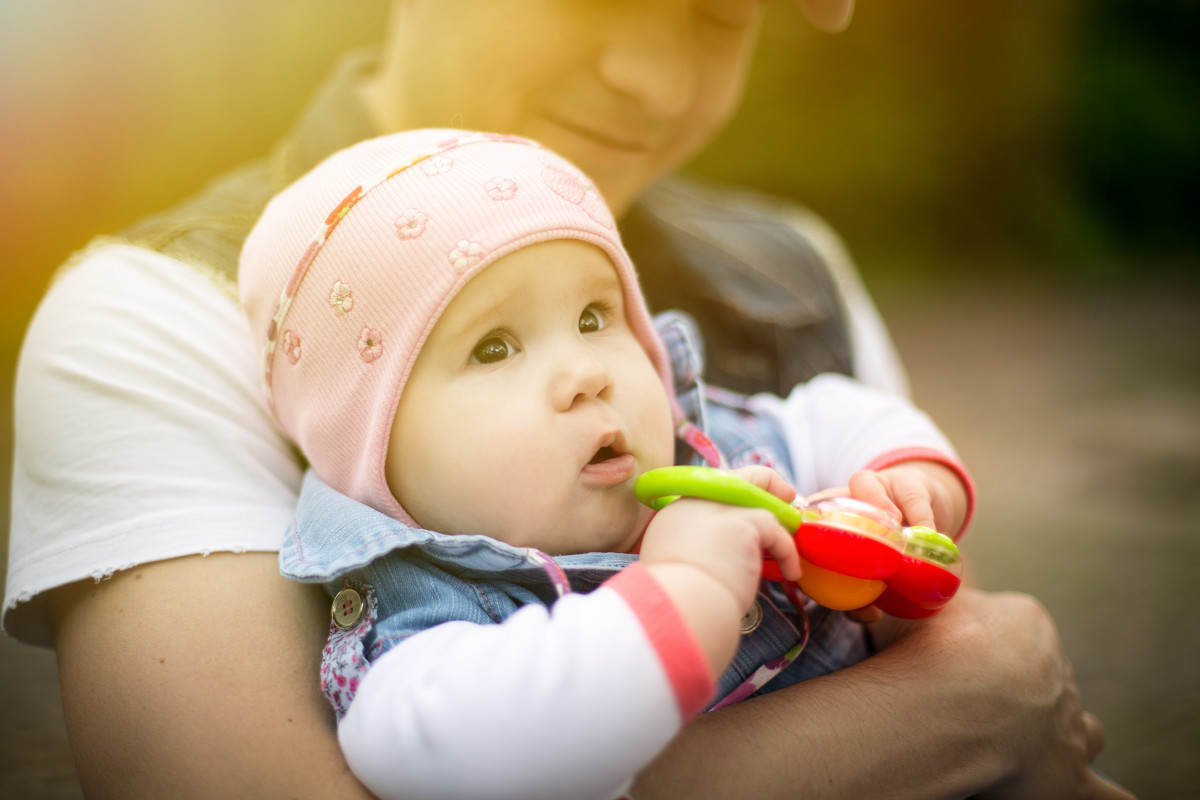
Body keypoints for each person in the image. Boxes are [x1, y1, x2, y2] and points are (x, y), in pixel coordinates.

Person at [5, 1, 1130, 798]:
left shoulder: (789, 272)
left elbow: (909, 600)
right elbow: (960, 710)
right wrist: (962, 703)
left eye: (717, 14)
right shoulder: (155, 316)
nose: (653, 80)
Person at [237, 128, 974, 800]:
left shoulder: (712, 445)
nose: (586, 372)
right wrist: (689, 589)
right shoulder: (426, 628)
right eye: (494, 347)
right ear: (370, 448)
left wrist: (907, 482)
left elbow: (835, 412)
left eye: (595, 318)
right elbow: (463, 759)